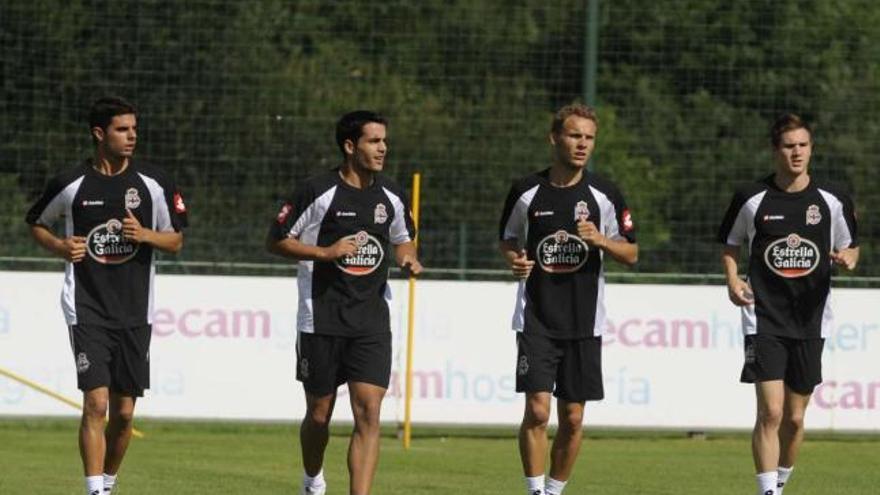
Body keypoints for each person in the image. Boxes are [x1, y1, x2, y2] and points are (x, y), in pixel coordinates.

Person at [25, 96, 187, 495]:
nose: (132, 136)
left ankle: (108, 483)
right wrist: (60, 247)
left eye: (134, 129)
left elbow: (176, 241)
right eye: (122, 129)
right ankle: (94, 489)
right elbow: (37, 223)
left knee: (125, 413)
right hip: (87, 307)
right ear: (100, 134)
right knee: (96, 404)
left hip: (135, 311)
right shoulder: (71, 184)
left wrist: (145, 235)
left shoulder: (153, 183)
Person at [267, 110, 422, 495]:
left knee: (369, 411)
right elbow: (276, 240)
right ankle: (312, 480)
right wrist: (326, 252)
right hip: (321, 318)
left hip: (371, 321)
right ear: (350, 146)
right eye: (374, 141)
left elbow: (404, 238)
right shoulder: (316, 191)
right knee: (319, 415)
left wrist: (407, 258)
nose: (383, 148)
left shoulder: (391, 195)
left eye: (384, 141)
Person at [498, 103, 638, 495]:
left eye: (589, 138)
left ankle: (555, 490)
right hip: (536, 318)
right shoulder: (526, 191)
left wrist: (601, 240)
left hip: (583, 321)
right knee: (537, 411)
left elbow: (631, 253)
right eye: (575, 135)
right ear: (554, 138)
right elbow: (507, 238)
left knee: (573, 418)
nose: (582, 144)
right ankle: (535, 492)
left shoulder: (604, 195)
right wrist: (514, 260)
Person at [718, 113, 859, 495]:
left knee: (794, 419)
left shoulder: (832, 199)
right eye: (788, 146)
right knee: (772, 411)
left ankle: (779, 483)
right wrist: (732, 279)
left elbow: (851, 246)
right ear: (775, 150)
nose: (796, 152)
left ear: (811, 149)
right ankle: (768, 492)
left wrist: (849, 258)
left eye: (802, 145)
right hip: (763, 317)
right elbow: (730, 243)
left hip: (811, 320)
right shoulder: (751, 198)